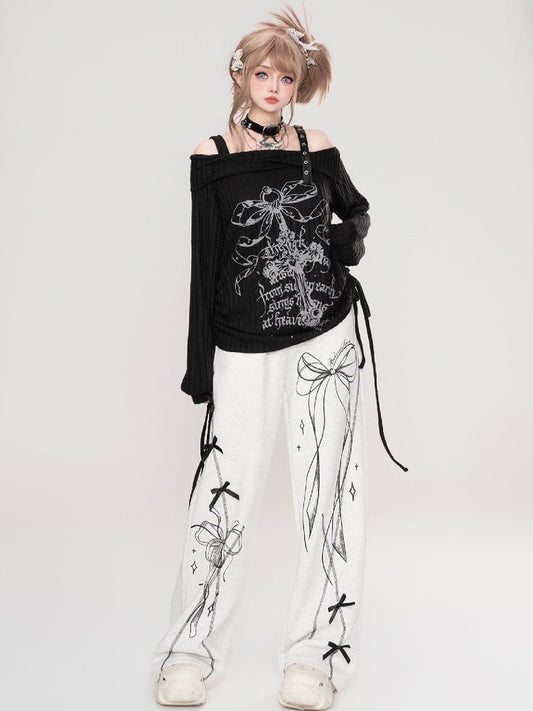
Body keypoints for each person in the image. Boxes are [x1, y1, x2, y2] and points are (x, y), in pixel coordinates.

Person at [149, 3, 407, 708]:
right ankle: (189, 650)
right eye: (262, 74)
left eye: (285, 78)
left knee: (328, 490)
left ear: (298, 84)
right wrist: (200, 363)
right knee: (224, 490)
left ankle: (316, 656)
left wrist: (340, 246)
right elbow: (205, 262)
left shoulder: (314, 146)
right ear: (240, 76)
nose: (273, 88)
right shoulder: (212, 156)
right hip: (240, 339)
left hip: (325, 338)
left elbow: (355, 212)